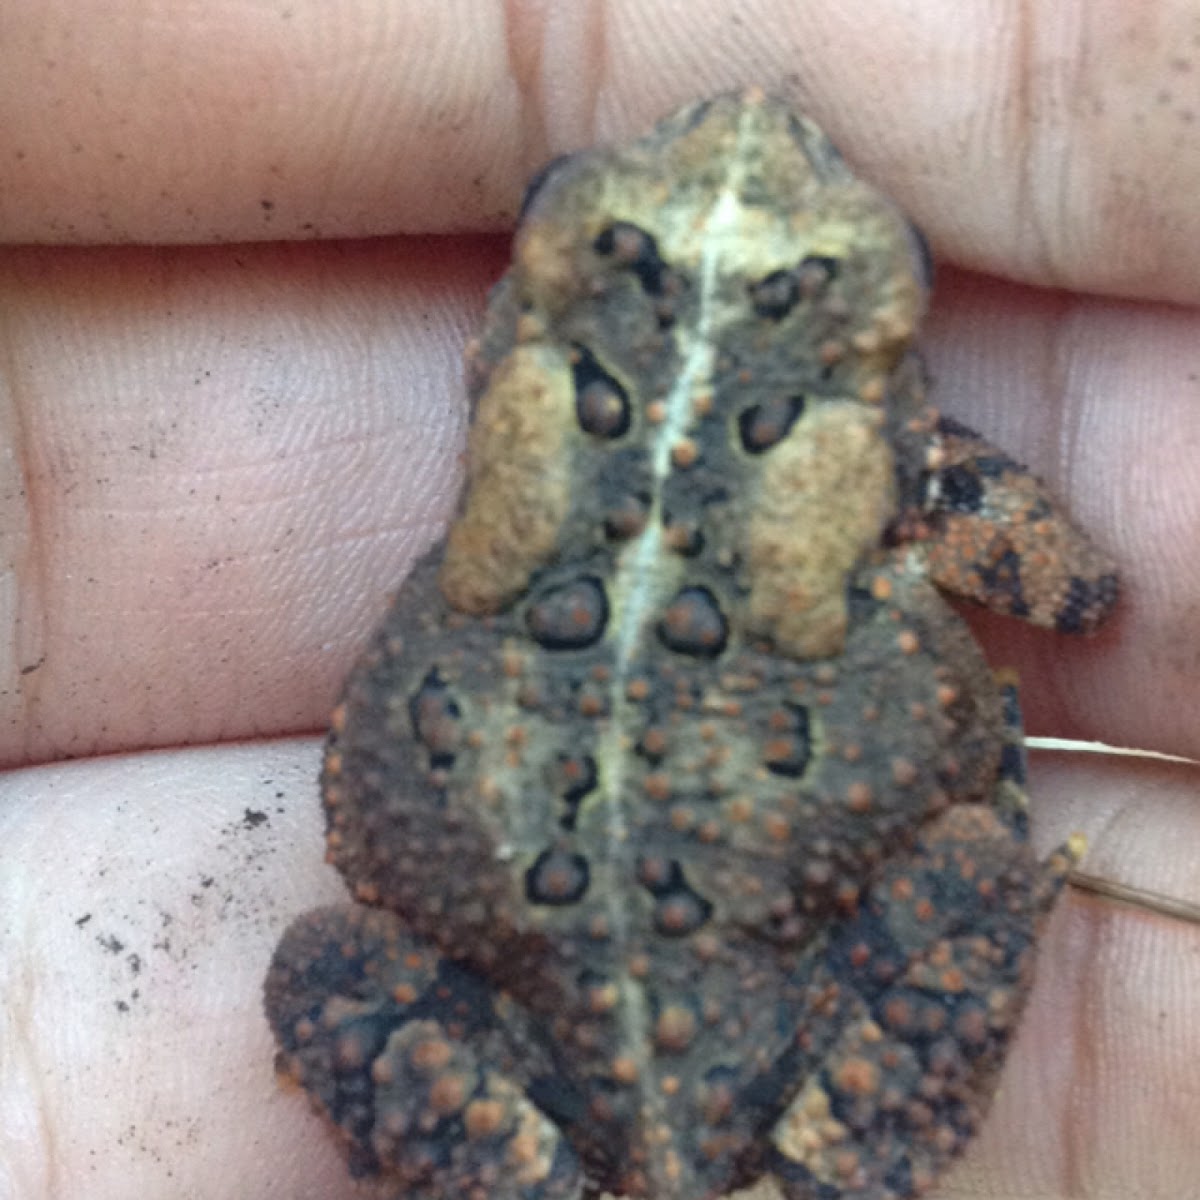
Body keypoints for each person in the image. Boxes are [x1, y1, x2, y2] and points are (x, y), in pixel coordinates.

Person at [0, 4, 1196, 1197]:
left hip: (562, 1015)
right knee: (975, 869)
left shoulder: (520, 420)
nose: (742, 129)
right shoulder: (894, 484)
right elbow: (1075, 587)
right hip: (784, 1005)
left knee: (331, 973)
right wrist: (921, 473)